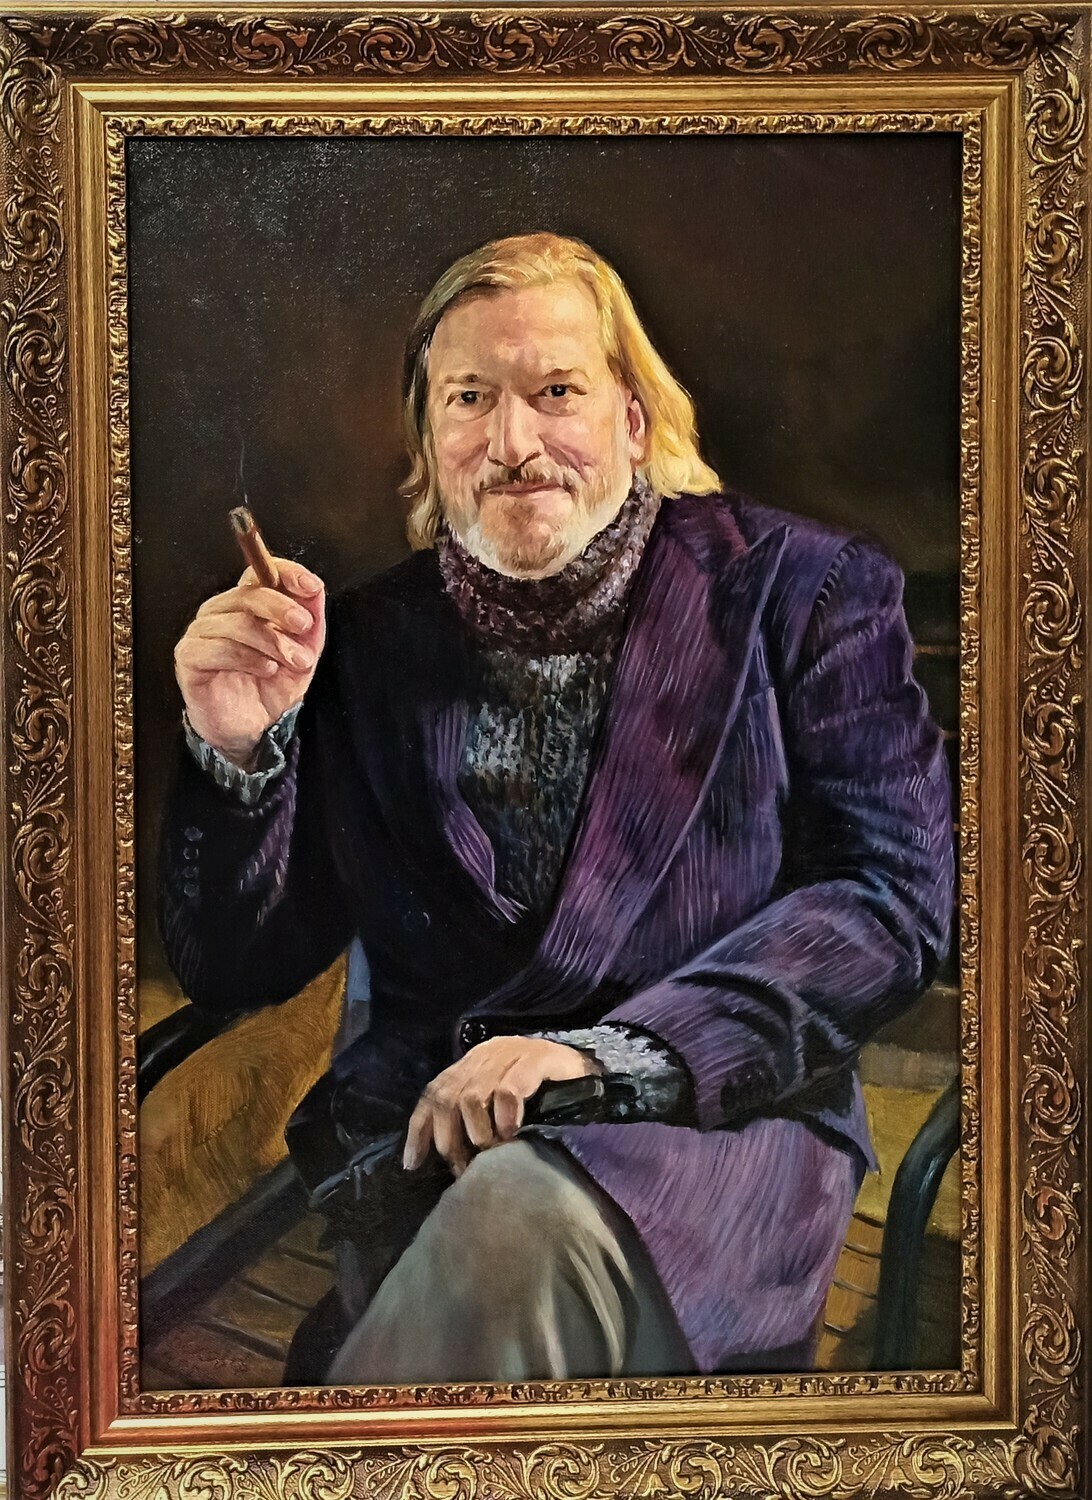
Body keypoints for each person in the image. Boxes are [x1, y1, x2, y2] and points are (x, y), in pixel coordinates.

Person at [160, 232, 954, 1384]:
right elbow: (239, 968)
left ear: (634, 420)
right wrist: (240, 751)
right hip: (420, 1164)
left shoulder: (805, 592)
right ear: (430, 442)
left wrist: (606, 1056)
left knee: (508, 1234)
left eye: (556, 392)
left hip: (703, 1144)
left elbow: (891, 900)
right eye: (469, 398)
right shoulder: (367, 643)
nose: (513, 443)